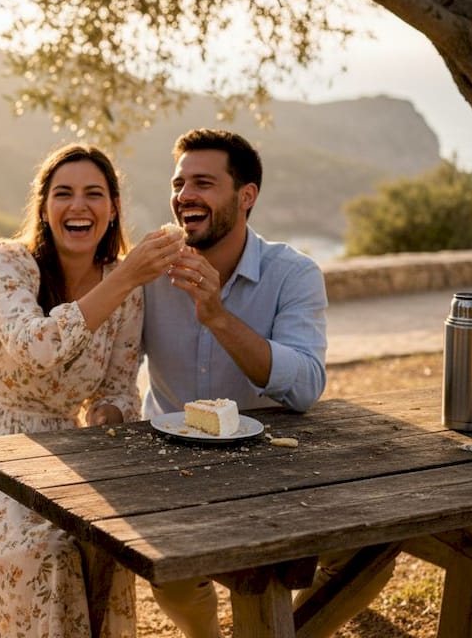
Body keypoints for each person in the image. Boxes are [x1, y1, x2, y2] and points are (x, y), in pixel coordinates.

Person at [0, 144, 184, 637]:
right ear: (44, 206)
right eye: (63, 193)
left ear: (112, 207)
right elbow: (36, 347)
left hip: (68, 453)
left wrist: (108, 417)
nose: (79, 206)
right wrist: (129, 275)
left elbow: (117, 387)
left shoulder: (124, 284)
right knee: (41, 553)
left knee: (106, 543)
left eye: (94, 194)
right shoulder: (6, 262)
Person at [141, 128, 388, 638]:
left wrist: (217, 315)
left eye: (203, 183)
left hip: (278, 467)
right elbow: (108, 364)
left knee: (373, 553)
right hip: (172, 473)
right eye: (179, 182)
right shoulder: (150, 272)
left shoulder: (294, 274)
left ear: (246, 196)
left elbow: (304, 386)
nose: (185, 195)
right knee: (173, 579)